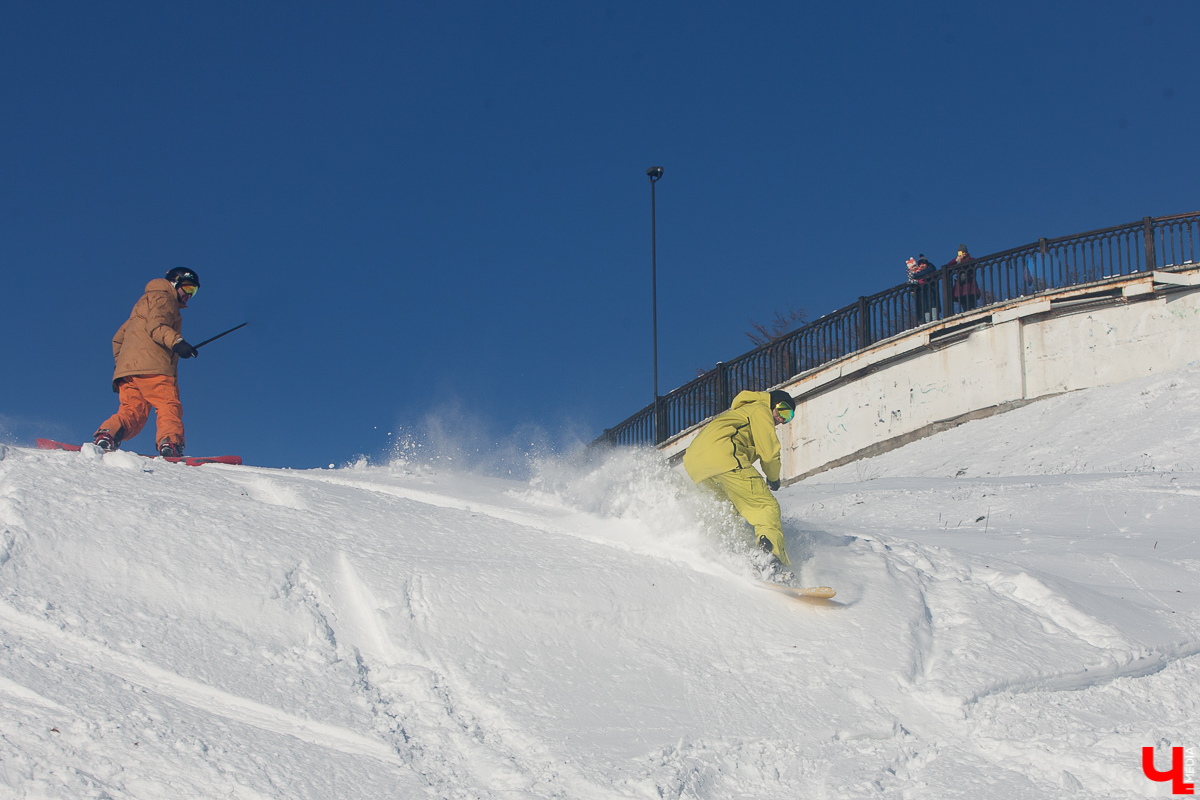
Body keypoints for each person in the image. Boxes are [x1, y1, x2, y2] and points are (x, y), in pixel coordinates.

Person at [683, 389, 797, 570]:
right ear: (772, 403)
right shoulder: (760, 409)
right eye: (783, 410)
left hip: (696, 465)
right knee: (765, 507)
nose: (782, 419)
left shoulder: (740, 413)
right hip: (723, 456)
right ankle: (771, 561)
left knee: (729, 513)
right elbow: (769, 453)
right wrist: (773, 478)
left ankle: (729, 556)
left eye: (788, 416)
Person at [93, 268, 201, 457]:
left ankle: (107, 436)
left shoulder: (141, 305)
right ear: (175, 283)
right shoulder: (164, 298)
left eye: (194, 292)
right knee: (168, 404)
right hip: (154, 368)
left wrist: (121, 366)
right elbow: (157, 326)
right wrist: (178, 343)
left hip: (128, 371)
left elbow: (118, 338)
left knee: (133, 413)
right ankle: (170, 443)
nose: (189, 295)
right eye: (188, 288)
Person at [945, 243, 982, 312]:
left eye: (964, 252)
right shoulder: (958, 261)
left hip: (969, 283)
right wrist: (956, 260)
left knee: (971, 301)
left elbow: (972, 262)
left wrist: (961, 260)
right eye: (961, 252)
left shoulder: (970, 259)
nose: (963, 253)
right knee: (963, 300)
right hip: (961, 284)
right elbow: (948, 265)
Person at [907, 253, 941, 323]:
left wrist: (915, 275)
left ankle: (935, 318)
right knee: (924, 306)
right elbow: (910, 281)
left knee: (932, 303)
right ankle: (927, 321)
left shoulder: (930, 268)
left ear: (926, 263)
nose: (922, 266)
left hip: (931, 289)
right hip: (922, 293)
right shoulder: (917, 272)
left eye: (923, 264)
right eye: (920, 264)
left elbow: (928, 271)